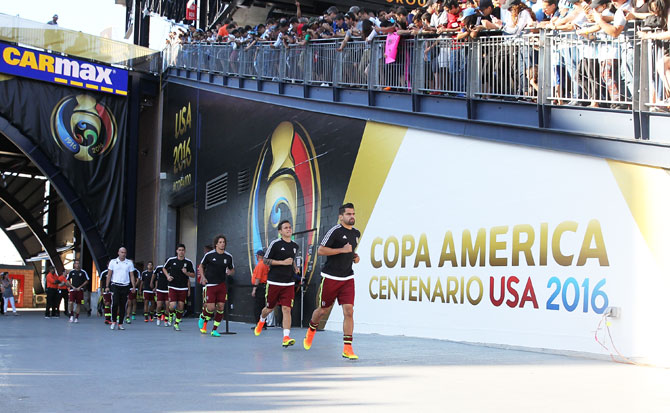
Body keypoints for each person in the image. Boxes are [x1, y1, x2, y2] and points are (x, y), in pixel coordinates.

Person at [303, 203, 361, 360]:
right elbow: (321, 250)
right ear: (340, 216)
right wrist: (342, 250)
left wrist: (354, 257)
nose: (352, 216)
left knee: (349, 311)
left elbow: (351, 252)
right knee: (322, 311)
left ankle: (347, 348)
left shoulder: (356, 233)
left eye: (353, 213)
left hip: (348, 277)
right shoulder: (334, 231)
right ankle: (311, 329)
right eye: (348, 214)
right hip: (330, 278)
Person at [254, 220, 300, 348]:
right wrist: (282, 263)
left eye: (290, 227)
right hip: (274, 282)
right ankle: (261, 320)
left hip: (289, 283)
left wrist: (294, 266)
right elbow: (266, 260)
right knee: (269, 308)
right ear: (280, 231)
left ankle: (286, 337)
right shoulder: (275, 244)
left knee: (286, 309)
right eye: (285, 228)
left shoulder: (295, 246)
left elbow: (291, 260)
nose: (288, 229)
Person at [198, 235, 235, 337]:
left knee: (221, 307)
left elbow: (232, 270)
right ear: (216, 244)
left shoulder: (228, 256)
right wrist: (203, 277)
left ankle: (214, 330)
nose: (222, 244)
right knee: (210, 308)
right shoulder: (209, 255)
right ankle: (202, 316)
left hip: (221, 285)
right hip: (210, 284)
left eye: (224, 242)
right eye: (220, 242)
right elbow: (201, 266)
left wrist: (230, 272)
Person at [163, 244, 195, 331]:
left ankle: (176, 324)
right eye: (179, 250)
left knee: (181, 306)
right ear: (177, 251)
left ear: (185, 251)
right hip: (172, 286)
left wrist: (186, 273)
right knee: (172, 305)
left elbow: (193, 275)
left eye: (183, 250)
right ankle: (170, 315)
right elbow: (164, 268)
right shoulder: (171, 260)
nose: (181, 252)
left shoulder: (188, 262)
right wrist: (167, 276)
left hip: (183, 287)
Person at [106, 247, 137, 330]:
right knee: (115, 303)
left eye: (124, 252)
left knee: (123, 305)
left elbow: (131, 275)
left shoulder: (129, 263)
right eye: (122, 252)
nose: (123, 254)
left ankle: (120, 323)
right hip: (115, 284)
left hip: (125, 285)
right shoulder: (113, 262)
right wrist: (107, 286)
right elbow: (109, 274)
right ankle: (113, 321)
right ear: (118, 252)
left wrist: (133, 286)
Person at [251, 249, 269, 329]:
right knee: (262, 306)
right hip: (264, 286)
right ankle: (263, 324)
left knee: (257, 307)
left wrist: (254, 289)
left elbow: (258, 278)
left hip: (259, 287)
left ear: (258, 256)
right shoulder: (266, 264)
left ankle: (259, 325)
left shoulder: (260, 265)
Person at [198, 245, 213, 332]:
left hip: (216, 285)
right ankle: (204, 323)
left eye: (206, 251)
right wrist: (202, 278)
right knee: (206, 304)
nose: (205, 253)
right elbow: (200, 268)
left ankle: (205, 322)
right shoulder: (205, 261)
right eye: (205, 251)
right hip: (207, 284)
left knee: (213, 307)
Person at [151, 262, 169, 326]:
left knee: (167, 305)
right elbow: (154, 274)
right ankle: (158, 317)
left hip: (168, 290)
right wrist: (151, 282)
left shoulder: (172, 269)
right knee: (159, 306)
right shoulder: (159, 268)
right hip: (160, 290)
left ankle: (166, 320)